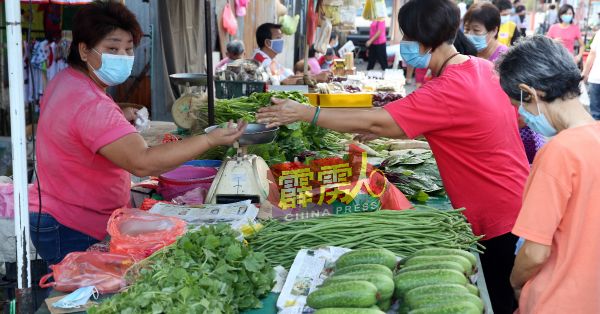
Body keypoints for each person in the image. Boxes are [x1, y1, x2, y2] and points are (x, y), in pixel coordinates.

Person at [255, 0, 529, 312]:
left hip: (495, 216)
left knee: (495, 298)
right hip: (517, 197)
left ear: (423, 39)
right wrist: (393, 129)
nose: (403, 44)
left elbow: (377, 118)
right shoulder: (481, 67)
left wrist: (306, 112)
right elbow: (466, 122)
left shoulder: (446, 88)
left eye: (407, 37)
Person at [28, 0, 248, 286]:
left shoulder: (65, 81)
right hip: (73, 224)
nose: (123, 55)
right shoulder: (91, 103)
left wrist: (117, 113)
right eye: (112, 47)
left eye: (129, 48)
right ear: (84, 49)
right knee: (77, 299)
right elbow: (142, 161)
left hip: (54, 211)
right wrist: (208, 139)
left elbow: (77, 125)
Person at [496, 35, 600, 314]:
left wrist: (515, 283)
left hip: (555, 301)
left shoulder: (559, 152)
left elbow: (535, 252)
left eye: (520, 106)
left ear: (528, 92)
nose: (523, 117)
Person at [252, 23, 332, 84]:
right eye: (278, 37)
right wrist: (316, 77)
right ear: (267, 43)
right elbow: (285, 82)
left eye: (281, 37)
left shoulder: (269, 59)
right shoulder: (262, 60)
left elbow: (290, 77)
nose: (281, 41)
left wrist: (317, 76)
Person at [582, 35, 600, 120]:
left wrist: (585, 72)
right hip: (595, 79)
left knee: (596, 115)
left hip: (595, 78)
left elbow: (592, 54)